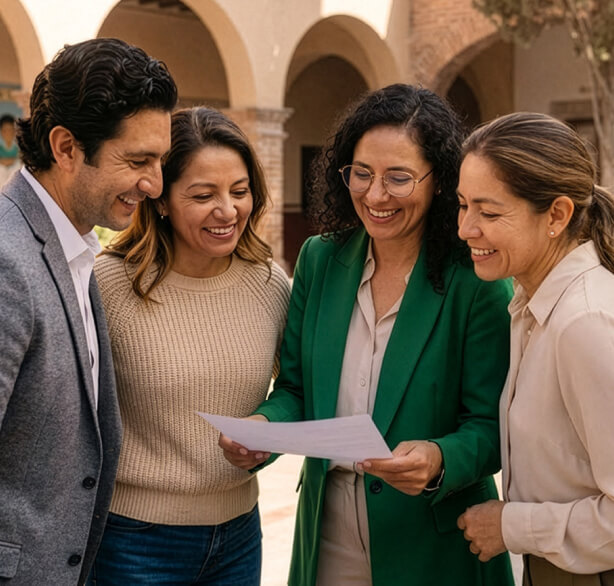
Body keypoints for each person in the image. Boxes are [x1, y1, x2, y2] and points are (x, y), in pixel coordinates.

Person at [222, 83, 514, 586]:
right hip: (327, 528)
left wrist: (440, 457)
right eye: (362, 173)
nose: (375, 195)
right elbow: (294, 389)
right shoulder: (319, 259)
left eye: (398, 178)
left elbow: (492, 423)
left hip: (437, 541)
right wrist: (262, 430)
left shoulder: (476, 280)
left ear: (439, 181)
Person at [89, 106, 291, 585]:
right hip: (133, 541)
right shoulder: (109, 285)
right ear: (160, 200)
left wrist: (267, 431)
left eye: (239, 192)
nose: (228, 210)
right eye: (203, 195)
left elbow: (293, 390)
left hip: (240, 534)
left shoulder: (268, 283)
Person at [0, 38, 176, 584]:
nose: (155, 184)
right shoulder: (7, 261)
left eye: (161, 161)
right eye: (138, 160)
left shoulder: (74, 247)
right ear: (66, 146)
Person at [456, 112, 614, 585]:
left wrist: (510, 526)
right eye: (463, 206)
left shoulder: (585, 323)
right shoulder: (529, 305)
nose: (466, 228)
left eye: (489, 212)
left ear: (558, 216)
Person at [0, 113, 20, 186]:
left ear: (15, 131)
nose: (8, 133)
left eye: (10, 130)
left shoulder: (19, 150)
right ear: (1, 132)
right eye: (5, 130)